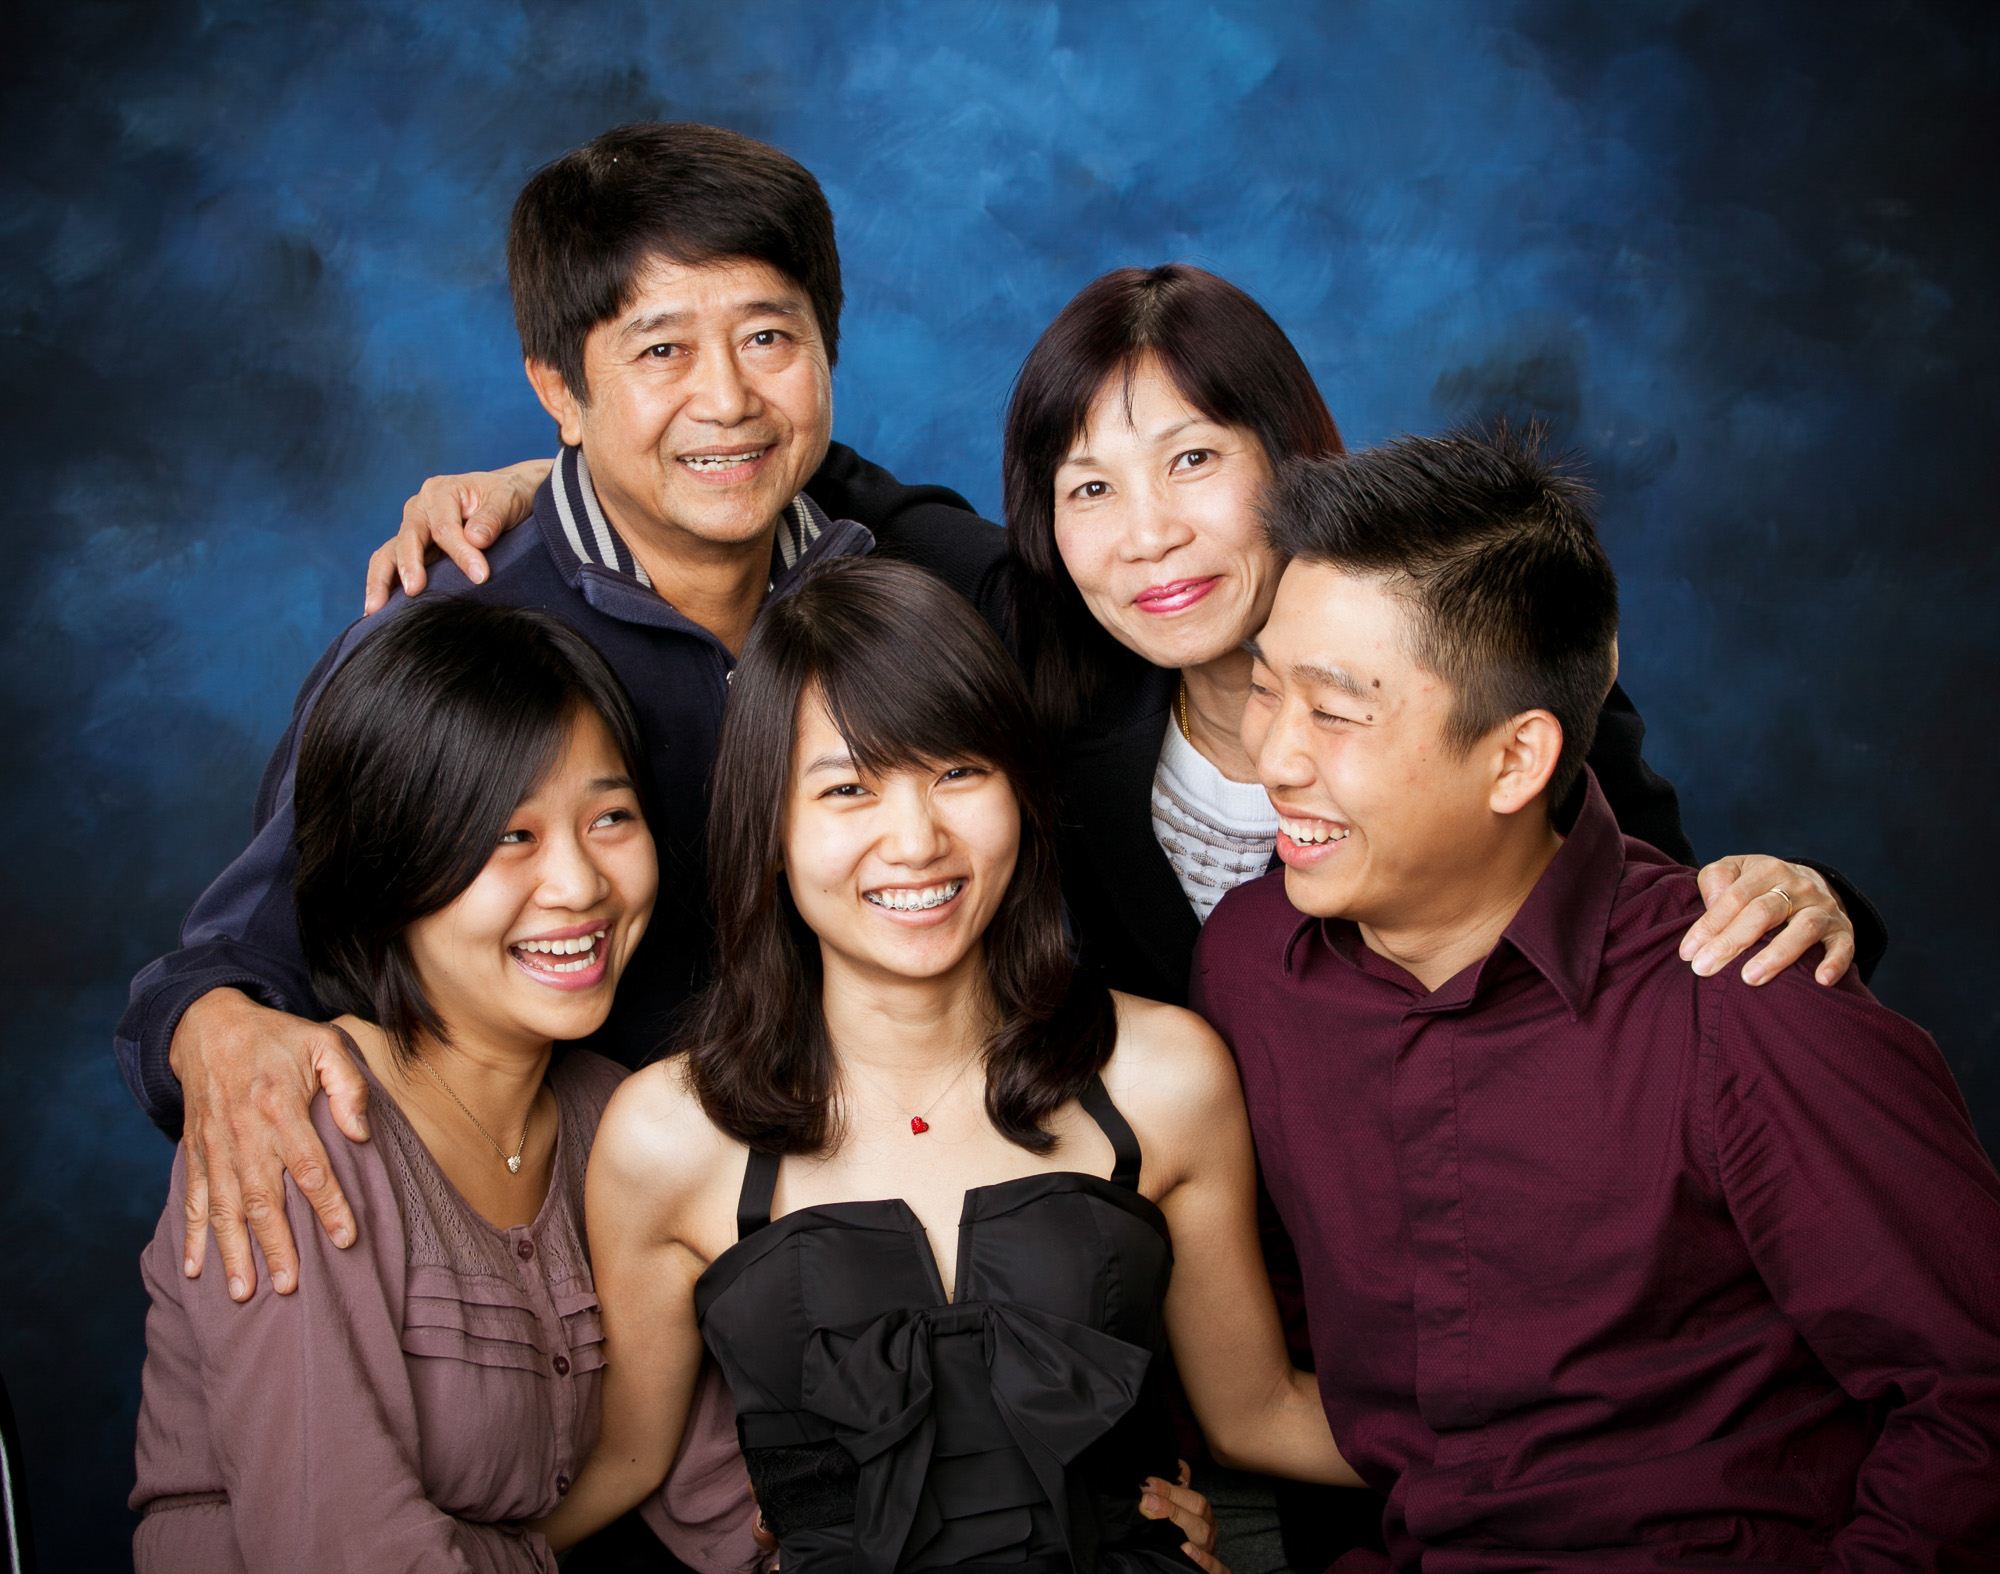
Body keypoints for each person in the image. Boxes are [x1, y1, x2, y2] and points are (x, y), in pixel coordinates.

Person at [382, 262, 1887, 1571]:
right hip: (1219, 1362)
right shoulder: (1059, 680)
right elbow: (867, 500)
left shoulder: (1471, 678)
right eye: (1090, 488)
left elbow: (1669, 940)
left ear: (1294, 462)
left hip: (1499, 1340)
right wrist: (566, 483)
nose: (1146, 533)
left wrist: (1807, 899)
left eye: (1191, 462)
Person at [114, 121, 1014, 1315]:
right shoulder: (454, 636)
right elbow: (234, 961)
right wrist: (211, 1031)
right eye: (659, 348)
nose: (728, 397)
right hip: (595, 1296)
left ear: (825, 348)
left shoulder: (899, 591)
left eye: (767, 337)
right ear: (557, 387)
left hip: (909, 1256)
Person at [1194, 427, 2000, 1568]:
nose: (1271, 756)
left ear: (1517, 760)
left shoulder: (1740, 991)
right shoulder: (1251, 964)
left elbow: (1974, 1392)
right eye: (1261, 691)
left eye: (1332, 713)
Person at [521, 555, 1356, 1571]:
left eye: (958, 770)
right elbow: (625, 1461)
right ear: (770, 828)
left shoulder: (1162, 1074)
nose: (915, 839)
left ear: (1020, 791)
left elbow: (1254, 1412)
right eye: (847, 787)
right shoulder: (668, 1133)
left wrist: (1558, 1461)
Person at [131, 598, 701, 1569]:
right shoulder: (296, 1123)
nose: (578, 884)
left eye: (610, 816)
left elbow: (734, 1491)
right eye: (508, 836)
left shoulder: (620, 1116)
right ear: (392, 865)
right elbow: (339, 1544)